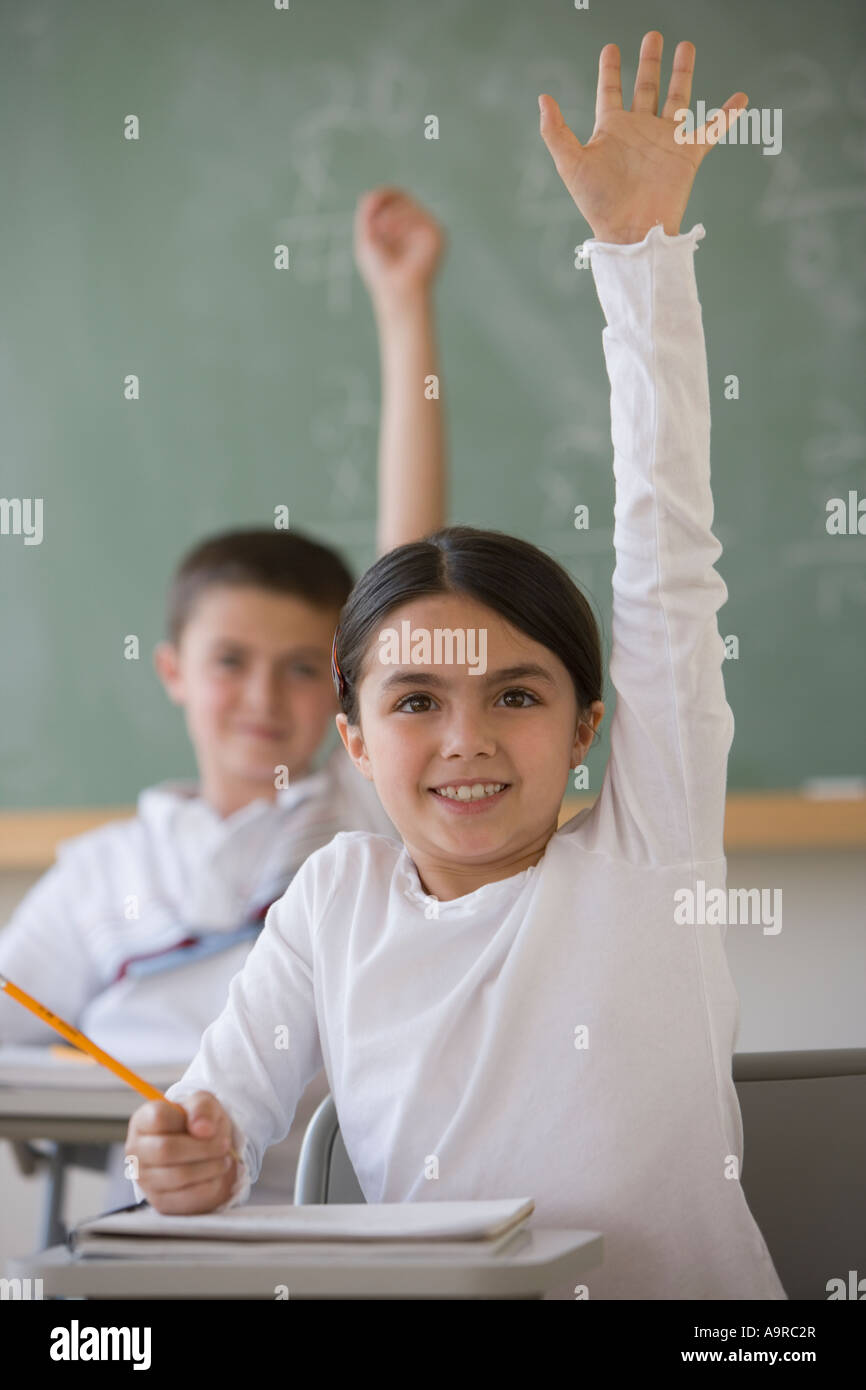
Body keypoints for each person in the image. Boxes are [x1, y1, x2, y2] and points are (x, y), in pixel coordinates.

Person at [126, 33, 787, 1298]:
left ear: (591, 722)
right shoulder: (333, 902)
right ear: (353, 735)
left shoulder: (648, 848)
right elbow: (213, 1118)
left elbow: (664, 551)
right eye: (416, 700)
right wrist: (188, 1153)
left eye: (518, 695)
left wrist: (639, 258)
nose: (466, 737)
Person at [0, 188, 448, 1208]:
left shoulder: (368, 814)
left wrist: (402, 307)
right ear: (172, 672)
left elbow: (412, 564)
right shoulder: (106, 871)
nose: (263, 696)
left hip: (334, 1230)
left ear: (350, 688)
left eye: (304, 666)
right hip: (142, 1228)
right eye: (229, 661)